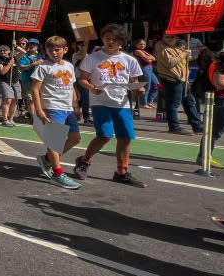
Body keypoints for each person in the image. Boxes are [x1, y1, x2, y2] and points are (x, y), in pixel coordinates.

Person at [72, 24, 146, 187]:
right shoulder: (93, 58)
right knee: (105, 135)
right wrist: (92, 87)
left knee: (125, 137)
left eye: (115, 39)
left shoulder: (130, 60)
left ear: (121, 42)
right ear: (103, 39)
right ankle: (84, 161)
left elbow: (134, 82)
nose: (110, 42)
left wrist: (139, 89)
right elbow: (82, 79)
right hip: (100, 102)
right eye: (107, 38)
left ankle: (122, 172)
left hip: (122, 103)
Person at [30, 36, 82, 189]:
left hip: (68, 108)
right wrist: (39, 109)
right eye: (50, 50)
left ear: (65, 50)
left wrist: (76, 106)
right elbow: (35, 89)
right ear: (45, 51)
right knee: (54, 141)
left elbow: (72, 87)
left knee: (75, 138)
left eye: (57, 49)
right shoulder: (43, 67)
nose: (54, 52)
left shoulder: (69, 66)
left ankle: (47, 159)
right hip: (52, 107)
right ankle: (58, 174)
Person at [155, 32, 203, 135]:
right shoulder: (161, 47)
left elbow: (182, 62)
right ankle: (174, 126)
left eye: (172, 37)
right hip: (171, 79)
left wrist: (187, 55)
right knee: (174, 103)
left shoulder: (176, 47)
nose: (169, 39)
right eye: (166, 36)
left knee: (190, 102)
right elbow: (170, 63)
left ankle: (197, 125)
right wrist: (184, 54)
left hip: (182, 79)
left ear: (176, 37)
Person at [196, 50, 224, 169]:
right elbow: (220, 84)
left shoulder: (219, 65)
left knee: (215, 131)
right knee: (215, 132)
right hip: (223, 101)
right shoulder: (219, 67)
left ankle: (204, 156)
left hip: (223, 101)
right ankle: (204, 157)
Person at [18, 38, 43, 119]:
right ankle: (33, 117)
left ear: (38, 46)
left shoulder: (41, 55)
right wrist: (33, 64)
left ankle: (37, 114)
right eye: (31, 44)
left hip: (39, 81)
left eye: (34, 44)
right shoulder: (24, 55)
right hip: (28, 80)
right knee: (31, 99)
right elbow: (21, 67)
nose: (32, 46)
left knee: (39, 98)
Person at [132, 38, 159, 109]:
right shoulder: (137, 51)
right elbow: (147, 60)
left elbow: (154, 58)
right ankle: (143, 103)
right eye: (140, 44)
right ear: (136, 45)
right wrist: (150, 58)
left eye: (144, 44)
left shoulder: (144, 51)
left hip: (150, 69)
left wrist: (151, 58)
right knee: (147, 86)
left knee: (156, 84)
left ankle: (149, 101)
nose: (142, 45)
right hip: (144, 69)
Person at [0, 45, 19, 127]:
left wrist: (16, 46)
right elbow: (2, 72)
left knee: (15, 100)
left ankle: (11, 119)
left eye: (4, 50)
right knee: (8, 100)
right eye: (1, 51)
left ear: (9, 51)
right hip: (5, 81)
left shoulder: (13, 58)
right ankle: (5, 119)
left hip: (15, 81)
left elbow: (24, 52)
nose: (2, 52)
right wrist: (9, 64)